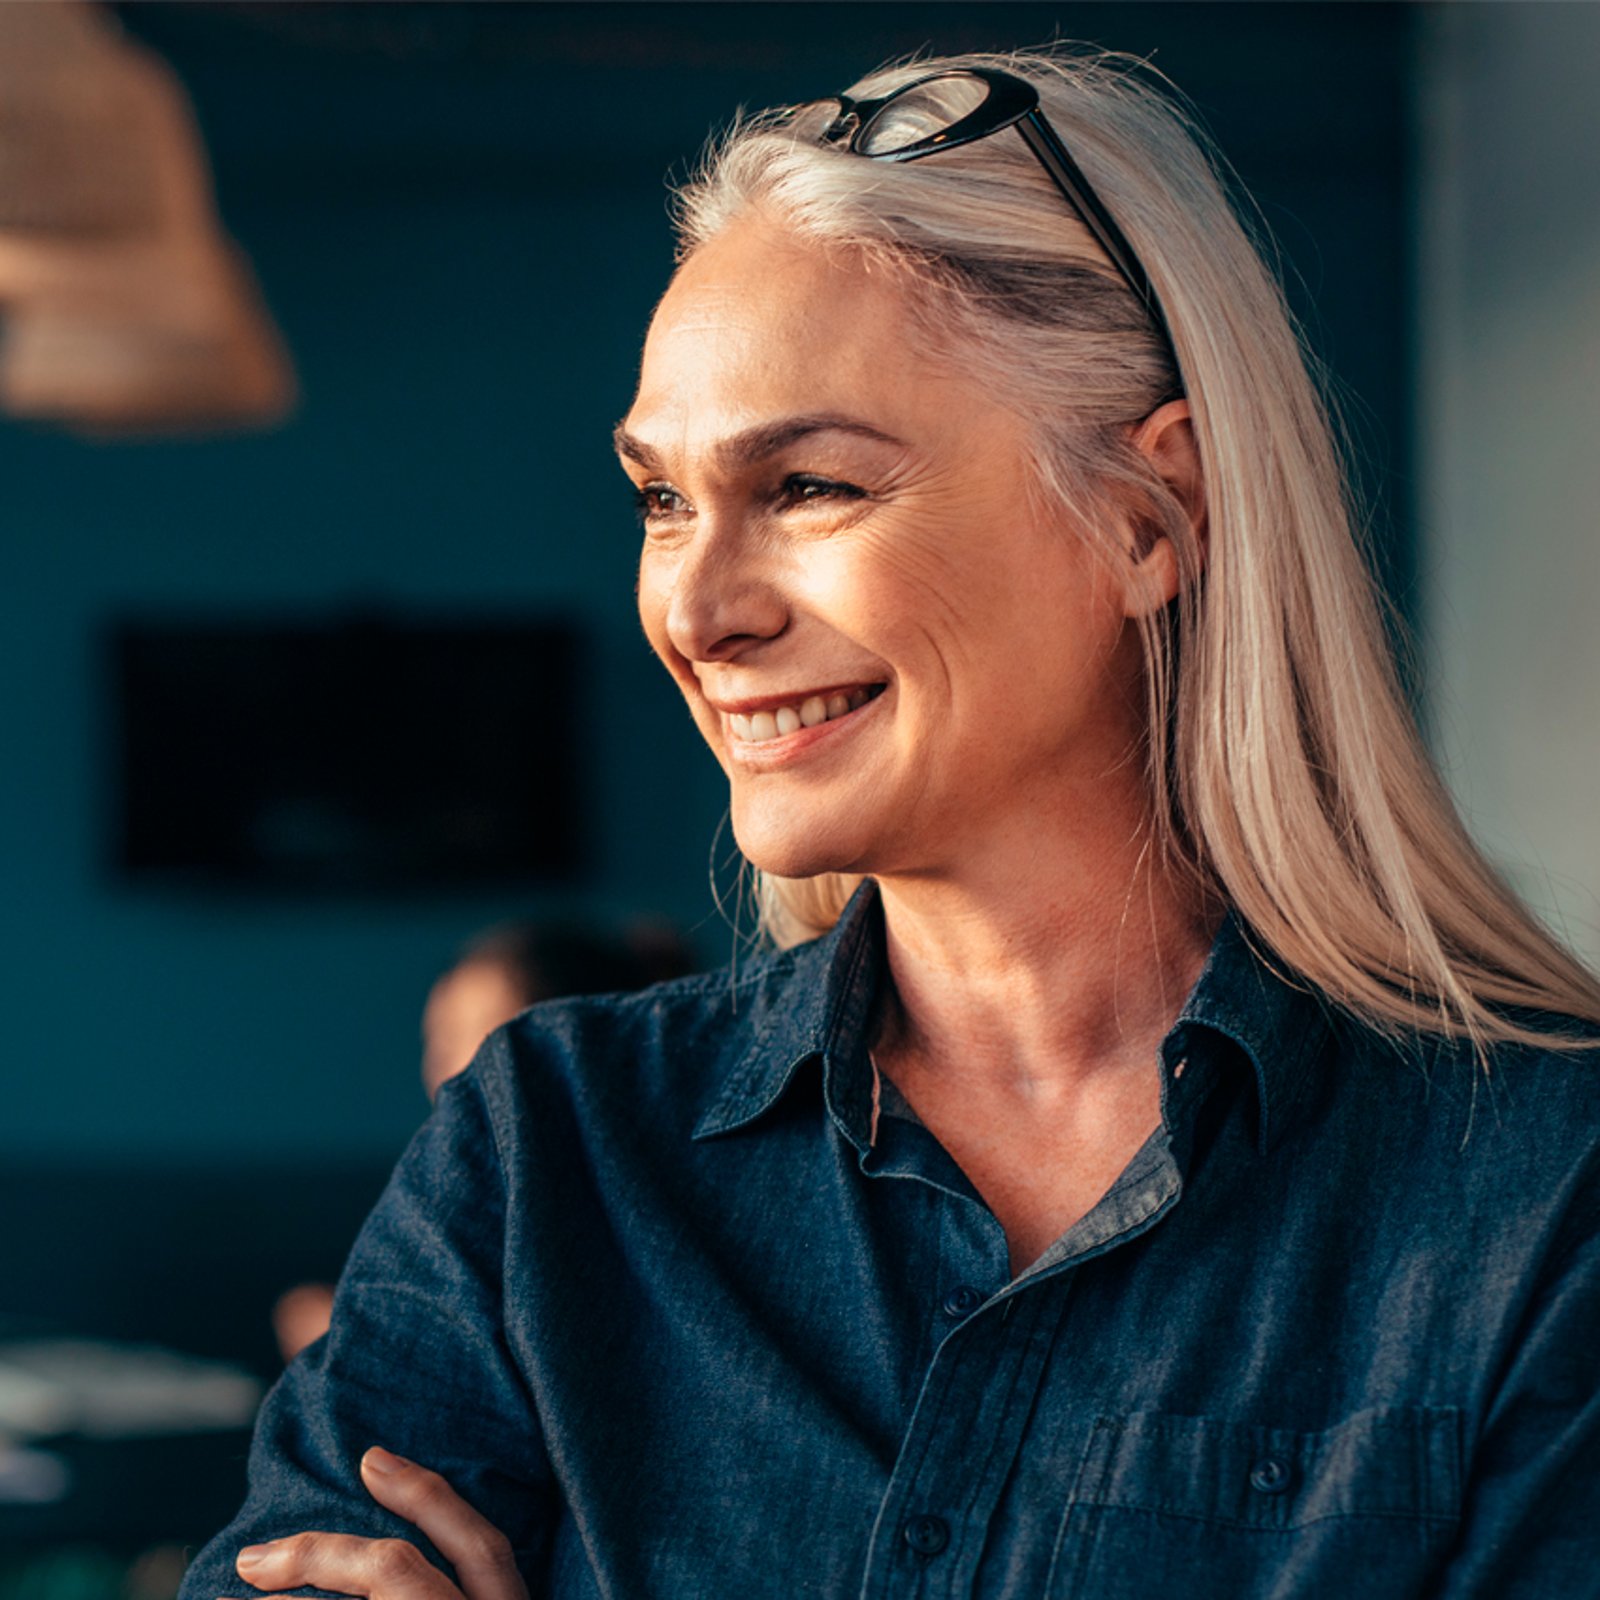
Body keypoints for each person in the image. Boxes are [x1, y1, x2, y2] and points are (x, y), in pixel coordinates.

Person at [184, 47, 1600, 1600]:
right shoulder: (550, 1153)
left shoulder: (1544, 1190)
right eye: (661, 501)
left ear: (1149, 517)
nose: (697, 612)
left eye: (807, 486)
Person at [273, 919, 694, 1364]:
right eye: (437, 1040)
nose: (444, 1068)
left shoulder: (605, 1207)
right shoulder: (465, 1191)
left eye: (472, 1036)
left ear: (568, 1043)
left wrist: (344, 1340)